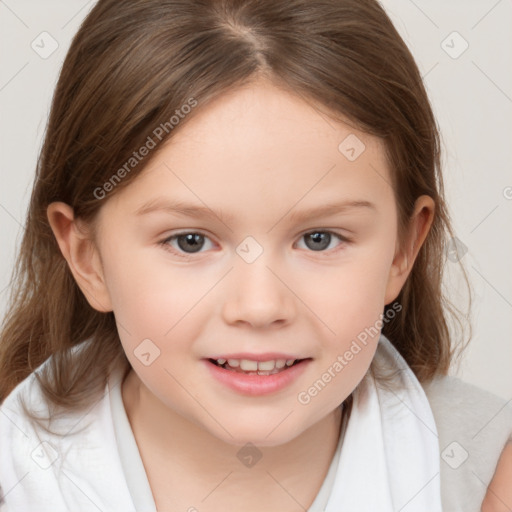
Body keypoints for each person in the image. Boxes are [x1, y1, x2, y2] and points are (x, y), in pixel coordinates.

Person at [0, 0, 510, 510]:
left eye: (319, 239)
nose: (261, 306)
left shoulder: (487, 476)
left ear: (403, 249)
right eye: (190, 241)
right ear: (87, 257)